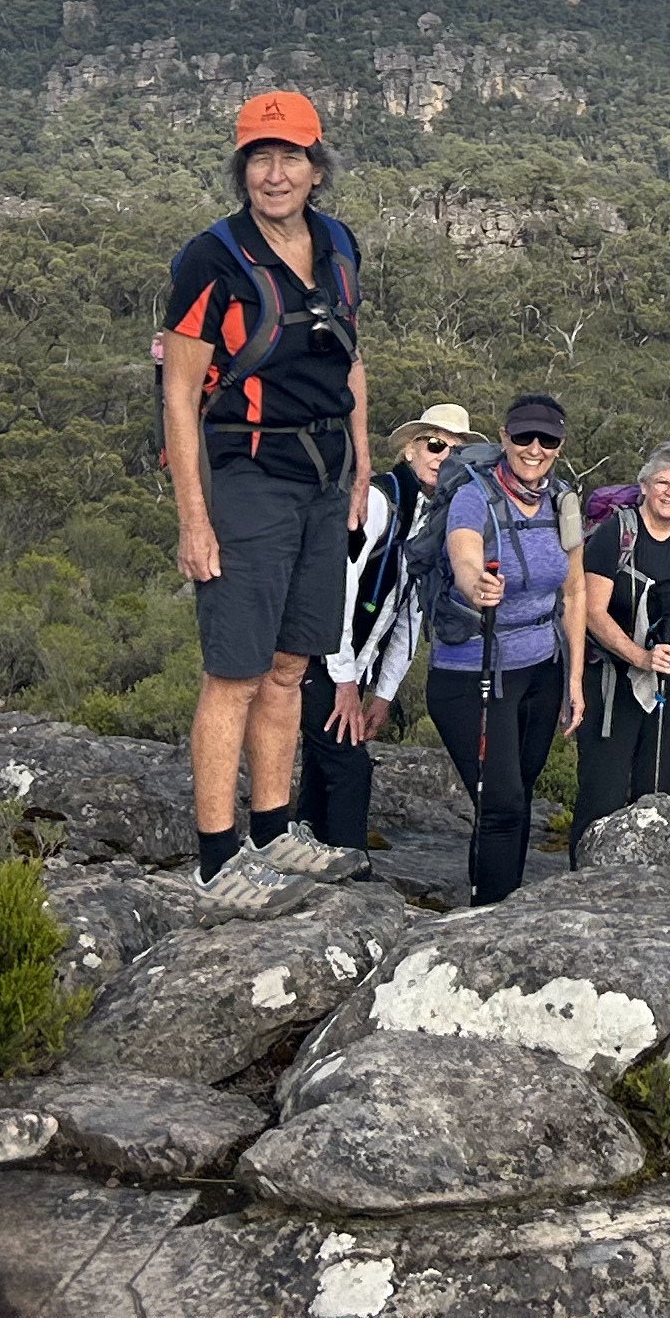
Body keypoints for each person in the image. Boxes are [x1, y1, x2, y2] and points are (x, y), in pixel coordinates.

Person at [161, 90, 372, 904]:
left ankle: (276, 833)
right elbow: (180, 394)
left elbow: (350, 359)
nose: (274, 173)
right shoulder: (211, 258)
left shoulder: (339, 245)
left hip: (324, 478)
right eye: (259, 157)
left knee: (291, 665)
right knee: (235, 671)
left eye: (289, 157)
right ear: (242, 168)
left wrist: (359, 466)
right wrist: (194, 518)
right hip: (247, 474)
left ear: (318, 168)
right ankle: (218, 861)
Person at [430, 389, 582, 905]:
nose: (534, 448)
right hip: (473, 670)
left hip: (541, 669)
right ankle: (489, 918)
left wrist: (575, 680)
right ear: (504, 438)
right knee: (500, 802)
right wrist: (475, 584)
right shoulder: (475, 496)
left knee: (518, 799)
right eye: (523, 437)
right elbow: (464, 552)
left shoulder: (562, 499)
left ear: (559, 445)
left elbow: (576, 590)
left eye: (547, 439)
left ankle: (504, 902)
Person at [298, 401, 467, 856]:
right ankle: (350, 868)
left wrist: (385, 693)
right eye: (434, 445)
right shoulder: (377, 500)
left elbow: (410, 614)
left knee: (323, 759)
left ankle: (303, 847)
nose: (442, 457)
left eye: (455, 451)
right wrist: (345, 679)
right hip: (314, 654)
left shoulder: (434, 518)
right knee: (350, 767)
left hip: (350, 664)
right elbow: (341, 586)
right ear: (410, 449)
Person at [572, 440, 670, 848]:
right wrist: (639, 656)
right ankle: (582, 889)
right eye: (662, 482)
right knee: (602, 793)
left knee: (658, 797)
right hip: (611, 681)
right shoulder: (614, 535)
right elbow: (592, 611)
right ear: (644, 485)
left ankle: (647, 897)